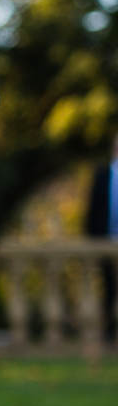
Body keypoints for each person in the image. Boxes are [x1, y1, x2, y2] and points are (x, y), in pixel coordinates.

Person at [84, 132, 118, 343]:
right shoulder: (103, 174)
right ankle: (110, 334)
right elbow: (93, 211)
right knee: (109, 290)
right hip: (105, 242)